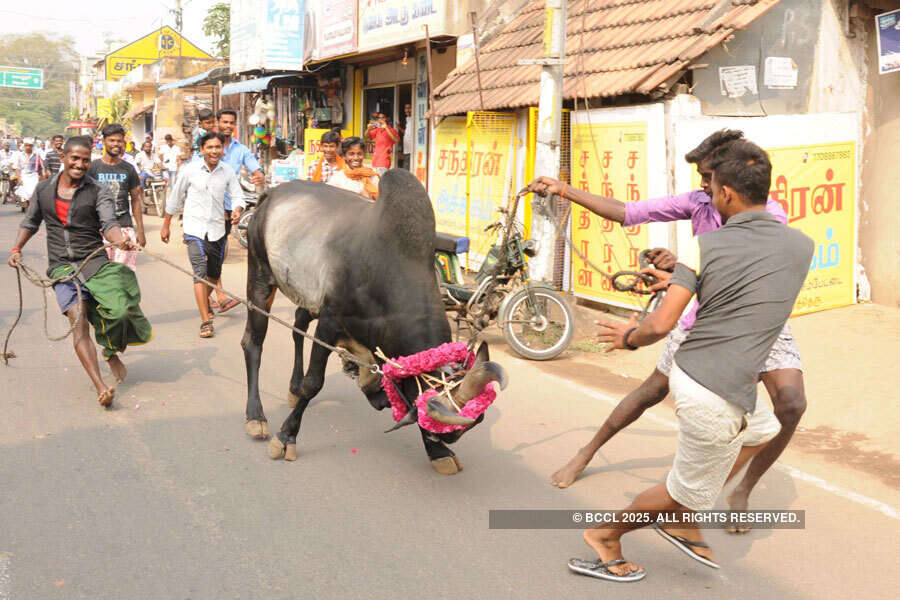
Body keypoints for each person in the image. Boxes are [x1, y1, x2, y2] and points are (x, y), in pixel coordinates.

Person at [566, 139, 813, 582]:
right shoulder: (801, 245)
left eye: (710, 183)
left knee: (762, 429)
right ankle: (608, 535)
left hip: (713, 369)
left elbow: (661, 325)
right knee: (685, 485)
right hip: (714, 372)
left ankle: (678, 510)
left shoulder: (707, 247)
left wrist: (629, 336)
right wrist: (682, 276)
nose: (705, 190)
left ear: (726, 194)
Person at [9, 136, 153, 407]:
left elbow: (109, 223)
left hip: (95, 262)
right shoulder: (42, 190)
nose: (79, 164)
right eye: (74, 158)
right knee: (79, 319)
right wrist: (16, 249)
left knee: (121, 311)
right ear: (63, 157)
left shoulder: (99, 191)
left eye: (85, 160)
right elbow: (30, 222)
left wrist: (119, 237)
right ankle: (101, 386)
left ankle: (110, 350)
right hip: (62, 266)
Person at [161, 132, 244, 338]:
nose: (214, 151)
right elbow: (174, 197)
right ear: (202, 150)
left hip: (218, 229)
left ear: (222, 150)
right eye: (210, 147)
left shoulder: (227, 172)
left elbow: (237, 194)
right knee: (199, 271)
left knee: (213, 275)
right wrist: (166, 224)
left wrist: (237, 209)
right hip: (194, 229)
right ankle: (206, 320)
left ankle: (205, 300)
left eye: (218, 147)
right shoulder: (189, 170)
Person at [213, 108, 264, 313]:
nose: (228, 126)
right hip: (207, 207)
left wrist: (259, 174)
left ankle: (209, 292)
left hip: (227, 208)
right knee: (213, 253)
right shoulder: (210, 145)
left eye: (231, 123)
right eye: (224, 122)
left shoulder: (240, 149)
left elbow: (255, 167)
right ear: (218, 122)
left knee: (218, 253)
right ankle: (219, 295)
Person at [87, 123, 145, 271]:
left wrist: (141, 231)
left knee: (122, 276)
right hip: (97, 230)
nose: (115, 144)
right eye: (111, 140)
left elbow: (136, 201)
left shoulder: (129, 169)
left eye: (119, 141)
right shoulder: (92, 168)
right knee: (99, 275)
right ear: (104, 141)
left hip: (124, 229)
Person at [13, 138, 44, 208]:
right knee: (25, 196)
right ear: (24, 146)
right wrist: (19, 179)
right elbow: (18, 168)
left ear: (32, 146)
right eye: (27, 145)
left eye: (30, 145)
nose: (28, 147)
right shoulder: (20, 156)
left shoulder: (37, 156)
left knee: (33, 195)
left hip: (34, 177)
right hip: (24, 176)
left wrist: (41, 178)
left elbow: (41, 168)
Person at [400, 103, 414, 171]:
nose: (407, 110)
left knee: (407, 170)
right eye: (406, 108)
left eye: (409, 108)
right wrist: (399, 128)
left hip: (411, 150)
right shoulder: (408, 119)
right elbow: (406, 133)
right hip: (406, 149)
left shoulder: (414, 119)